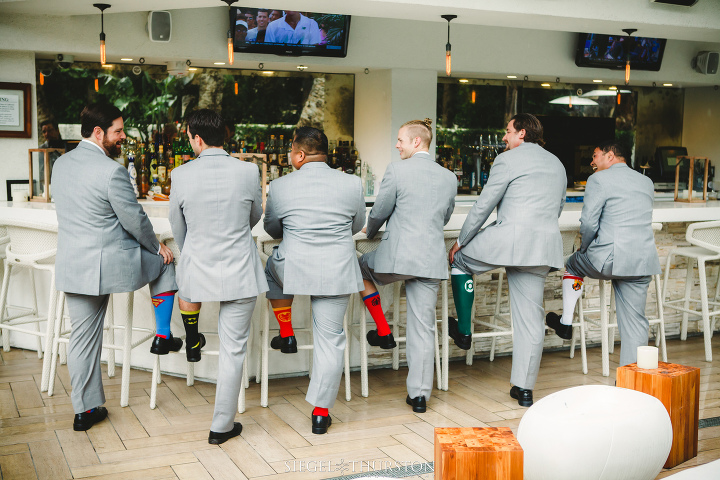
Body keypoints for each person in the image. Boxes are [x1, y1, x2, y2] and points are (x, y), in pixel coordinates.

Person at [52, 103, 180, 432]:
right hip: (111, 265)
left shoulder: (60, 165)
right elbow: (135, 220)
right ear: (99, 133)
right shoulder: (112, 171)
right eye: (118, 131)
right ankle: (163, 335)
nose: (123, 136)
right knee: (166, 262)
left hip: (73, 265)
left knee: (82, 338)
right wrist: (157, 245)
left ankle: (84, 410)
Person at [447, 113, 566, 407]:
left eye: (507, 131)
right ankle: (524, 389)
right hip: (542, 246)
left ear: (521, 133)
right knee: (530, 320)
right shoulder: (557, 163)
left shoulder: (507, 159)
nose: (504, 136)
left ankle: (463, 331)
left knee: (460, 261)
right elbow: (559, 206)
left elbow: (484, 204)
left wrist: (461, 240)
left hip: (509, 240)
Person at [169, 109, 268, 445]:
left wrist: (195, 251)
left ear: (195, 138)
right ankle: (221, 426)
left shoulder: (180, 175)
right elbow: (255, 215)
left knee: (194, 307)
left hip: (198, 270)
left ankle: (192, 337)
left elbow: (177, 228)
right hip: (240, 268)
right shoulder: (248, 170)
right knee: (233, 349)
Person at [263, 126, 365, 434]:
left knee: (269, 267)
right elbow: (357, 225)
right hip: (336, 269)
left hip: (293, 268)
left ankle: (286, 331)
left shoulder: (280, 186)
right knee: (330, 340)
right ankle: (321, 412)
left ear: (299, 154)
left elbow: (271, 228)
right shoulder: (353, 183)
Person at [358, 119, 456, 413]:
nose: (397, 145)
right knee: (423, 328)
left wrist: (370, 232)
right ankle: (419, 396)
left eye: (400, 140)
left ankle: (383, 328)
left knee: (359, 266)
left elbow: (379, 211)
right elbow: (445, 216)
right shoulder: (449, 177)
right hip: (430, 260)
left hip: (398, 260)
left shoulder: (397, 170)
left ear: (416, 142)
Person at [545, 141, 660, 368]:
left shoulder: (598, 179)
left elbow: (588, 223)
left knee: (574, 263)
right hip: (642, 261)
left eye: (595, 156)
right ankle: (633, 383)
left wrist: (585, 249)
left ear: (610, 156)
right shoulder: (646, 181)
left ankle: (566, 322)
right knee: (636, 323)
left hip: (608, 261)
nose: (592, 162)